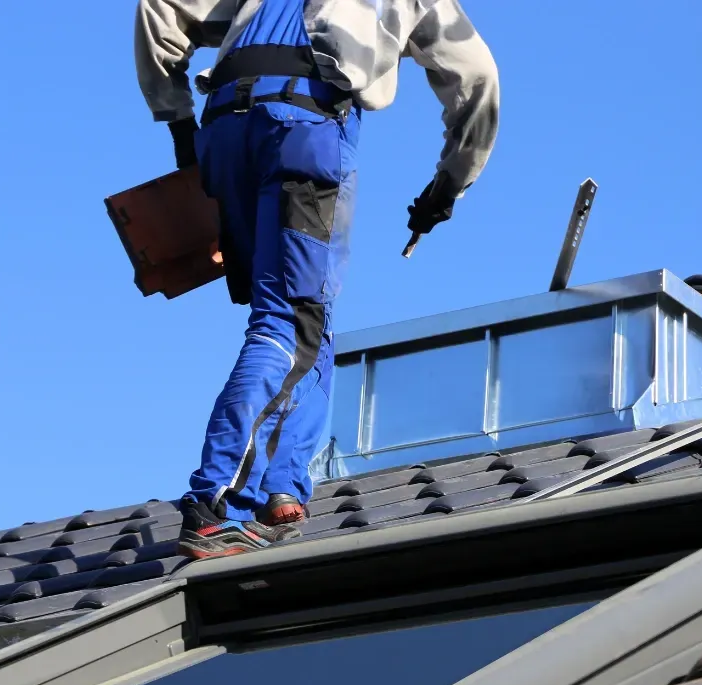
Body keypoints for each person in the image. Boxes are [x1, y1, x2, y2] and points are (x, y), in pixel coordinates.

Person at [133, 0, 500, 559]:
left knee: (309, 312)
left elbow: (160, 7)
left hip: (226, 133)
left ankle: (283, 485)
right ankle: (217, 503)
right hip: (303, 124)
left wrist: (180, 124)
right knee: (289, 323)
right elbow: (478, 81)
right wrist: (448, 186)